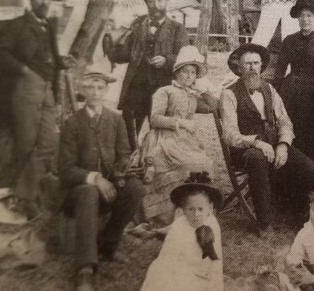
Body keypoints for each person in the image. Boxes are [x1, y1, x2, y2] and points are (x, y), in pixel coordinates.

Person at [0, 0, 76, 219]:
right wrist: (23, 71)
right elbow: (1, 53)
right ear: (31, 0)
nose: (46, 0)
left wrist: (62, 62)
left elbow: (51, 55)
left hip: (47, 88)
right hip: (26, 87)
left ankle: (22, 194)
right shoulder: (18, 24)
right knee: (27, 143)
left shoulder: (49, 24)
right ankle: (28, 200)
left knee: (49, 143)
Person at [57, 72, 144, 291]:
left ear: (106, 91)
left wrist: (121, 170)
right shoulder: (72, 123)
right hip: (77, 192)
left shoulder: (115, 120)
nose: (95, 93)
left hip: (109, 186)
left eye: (100, 88)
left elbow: (124, 153)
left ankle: (109, 244)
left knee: (135, 188)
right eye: (90, 88)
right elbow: (65, 169)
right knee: (88, 192)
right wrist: (94, 178)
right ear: (83, 91)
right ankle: (85, 268)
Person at [219, 43, 314, 231]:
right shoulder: (229, 94)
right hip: (245, 150)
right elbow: (230, 135)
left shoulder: (269, 89)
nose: (252, 68)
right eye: (247, 64)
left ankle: (297, 212)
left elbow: (285, 121)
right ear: (239, 68)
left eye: (256, 63)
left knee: (310, 169)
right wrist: (256, 142)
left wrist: (283, 144)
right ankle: (264, 222)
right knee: (257, 158)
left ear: (261, 66)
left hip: (274, 145)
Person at [138, 45, 219, 229]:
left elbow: (212, 106)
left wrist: (204, 89)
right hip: (163, 139)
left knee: (204, 164)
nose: (189, 76)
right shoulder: (165, 91)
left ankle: (195, 211)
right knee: (184, 166)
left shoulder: (192, 96)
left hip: (185, 142)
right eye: (185, 72)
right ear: (176, 72)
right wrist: (182, 123)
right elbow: (155, 119)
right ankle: (167, 218)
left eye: (193, 73)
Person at [111, 0, 188, 151]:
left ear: (167, 1)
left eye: (160, 1)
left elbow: (185, 58)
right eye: (151, 2)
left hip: (162, 87)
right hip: (136, 86)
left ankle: (156, 163)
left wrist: (167, 60)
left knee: (160, 129)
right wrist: (115, 39)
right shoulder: (138, 26)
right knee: (128, 127)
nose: (156, 6)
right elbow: (123, 56)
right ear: (147, 4)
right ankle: (131, 159)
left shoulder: (177, 29)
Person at [273, 0, 314, 164]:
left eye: (309, 15)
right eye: (301, 15)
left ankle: (310, 170)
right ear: (297, 18)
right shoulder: (289, 40)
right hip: (290, 92)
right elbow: (279, 70)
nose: (305, 19)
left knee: (311, 134)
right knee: (288, 129)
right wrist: (274, 93)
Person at [140, 172, 223, 291]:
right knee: (157, 272)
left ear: (210, 208)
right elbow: (168, 254)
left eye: (200, 209)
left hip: (201, 272)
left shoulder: (210, 225)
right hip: (178, 267)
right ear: (183, 209)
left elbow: (214, 260)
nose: (196, 214)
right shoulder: (180, 224)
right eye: (191, 209)